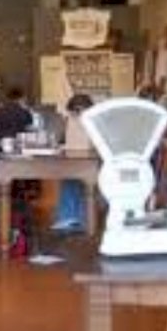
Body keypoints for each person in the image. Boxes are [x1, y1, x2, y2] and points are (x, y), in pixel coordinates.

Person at [51, 94, 94, 231]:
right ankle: (73, 219)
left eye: (77, 111)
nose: (74, 114)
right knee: (70, 182)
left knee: (72, 183)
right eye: (73, 111)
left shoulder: (87, 122)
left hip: (87, 162)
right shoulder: (84, 120)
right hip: (79, 160)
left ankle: (70, 219)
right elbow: (62, 140)